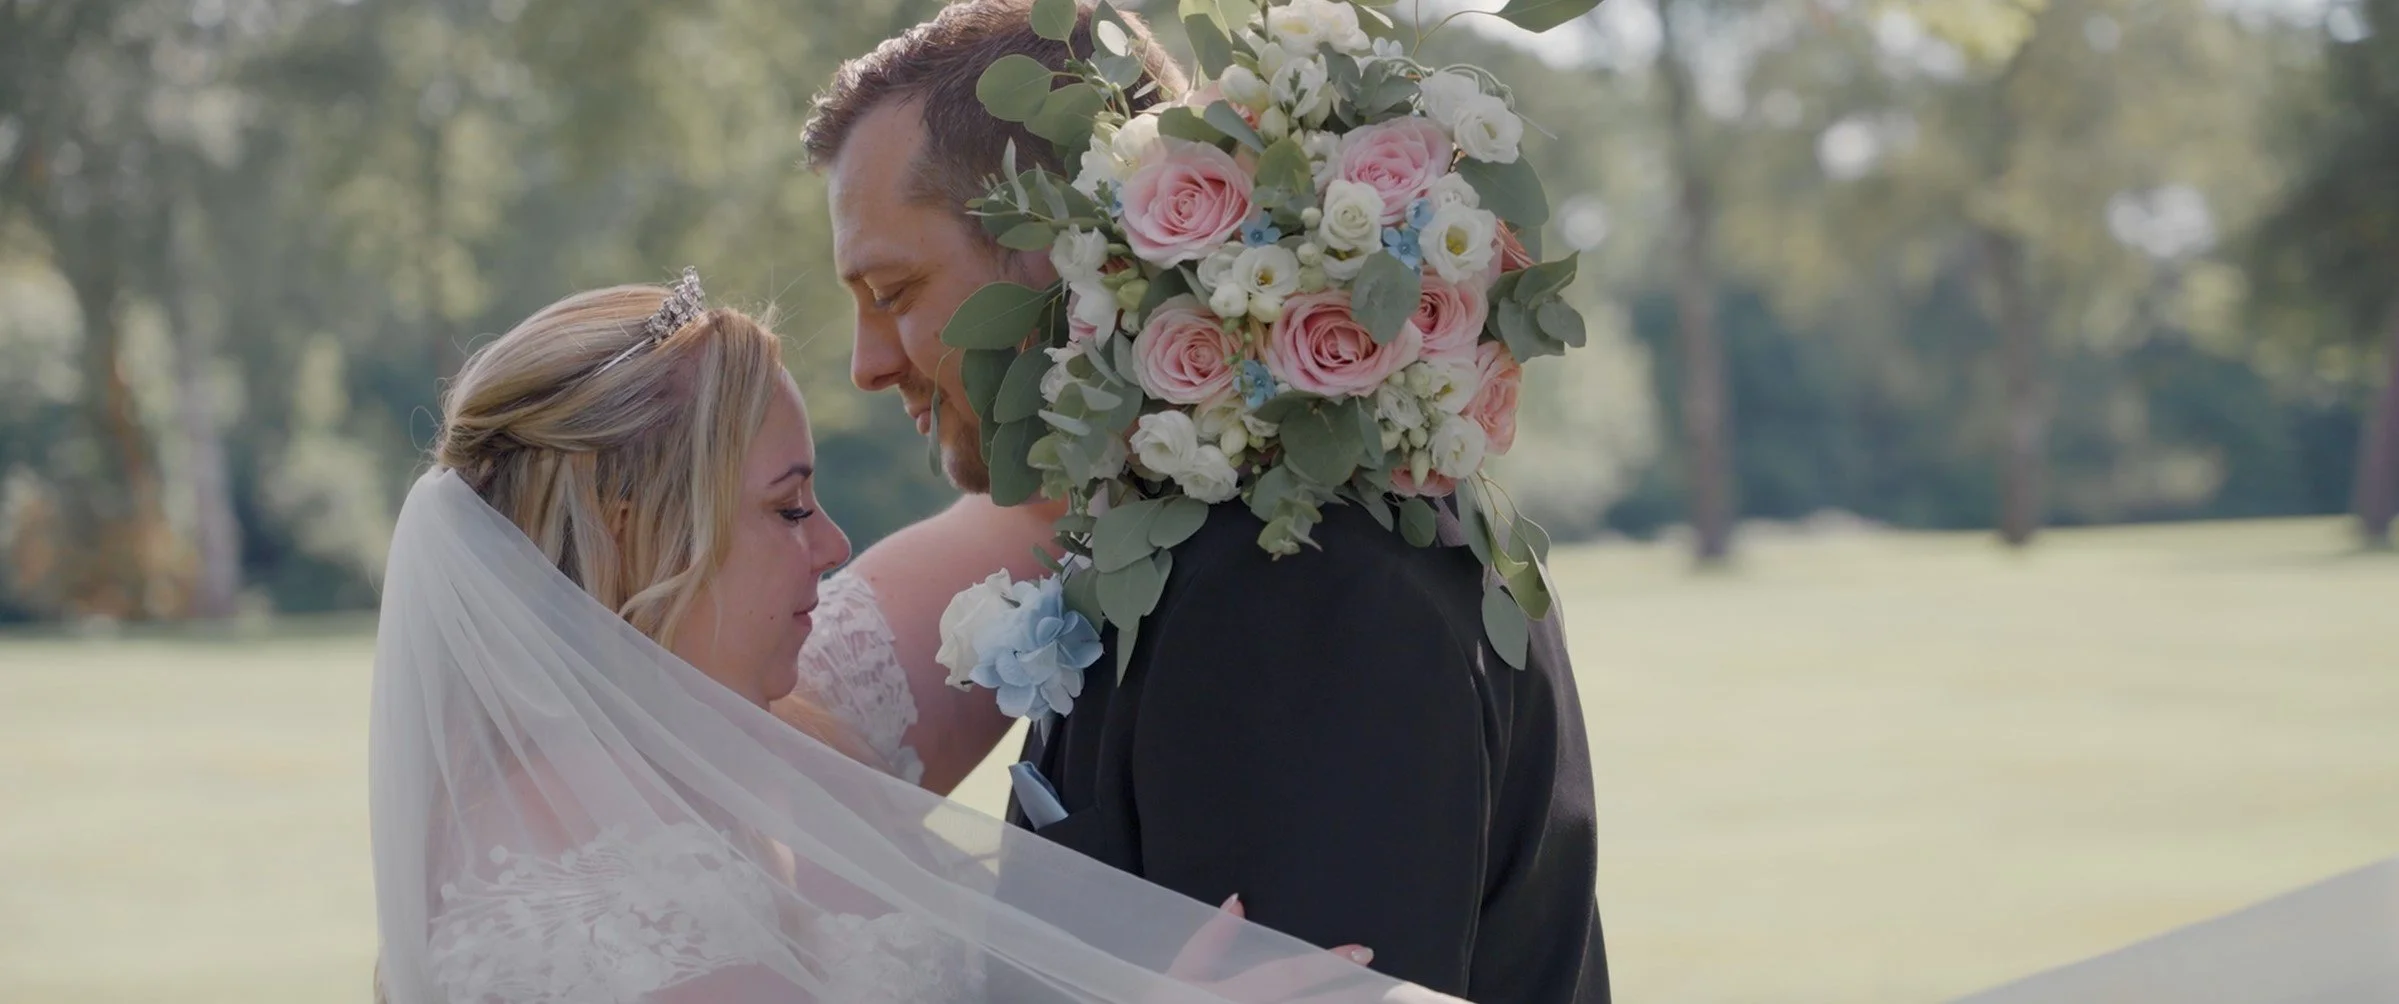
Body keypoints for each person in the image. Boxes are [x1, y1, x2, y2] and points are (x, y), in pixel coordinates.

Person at [367, 272, 1478, 1002]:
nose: (833, 542)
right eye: (789, 505)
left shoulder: (777, 726)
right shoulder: (584, 874)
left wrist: (1259, 293)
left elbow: (1044, 509)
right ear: (636, 527)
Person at [805, 2, 1611, 1001]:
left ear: (1065, 252)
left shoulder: (1294, 588)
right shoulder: (1186, 542)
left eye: (890, 290)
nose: (864, 364)